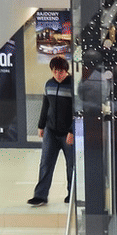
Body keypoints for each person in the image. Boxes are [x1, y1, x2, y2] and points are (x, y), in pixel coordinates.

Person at [28, 56, 74, 206]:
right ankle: (40, 196)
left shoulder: (73, 86)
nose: (58, 75)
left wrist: (72, 131)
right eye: (55, 72)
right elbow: (45, 106)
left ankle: (72, 194)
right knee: (45, 163)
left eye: (61, 72)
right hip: (51, 131)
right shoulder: (49, 85)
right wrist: (41, 126)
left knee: (71, 165)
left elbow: (78, 111)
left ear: (66, 71)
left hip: (68, 133)